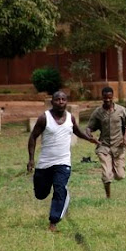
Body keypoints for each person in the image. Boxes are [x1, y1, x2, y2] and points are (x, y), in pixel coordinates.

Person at [27, 91, 99, 232]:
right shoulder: (44, 118)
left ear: (67, 102)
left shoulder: (70, 118)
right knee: (40, 194)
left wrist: (89, 139)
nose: (60, 102)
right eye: (57, 99)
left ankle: (53, 222)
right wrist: (31, 159)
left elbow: (77, 131)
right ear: (52, 102)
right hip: (45, 163)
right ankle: (52, 192)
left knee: (60, 189)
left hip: (63, 162)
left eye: (63, 99)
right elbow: (33, 137)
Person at [85, 86, 126, 199]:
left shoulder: (121, 110)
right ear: (102, 97)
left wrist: (125, 137)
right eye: (105, 98)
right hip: (104, 146)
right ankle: (108, 196)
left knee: (120, 176)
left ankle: (113, 168)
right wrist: (90, 135)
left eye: (109, 97)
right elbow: (89, 127)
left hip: (118, 146)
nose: (107, 100)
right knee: (107, 175)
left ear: (113, 97)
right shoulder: (98, 112)